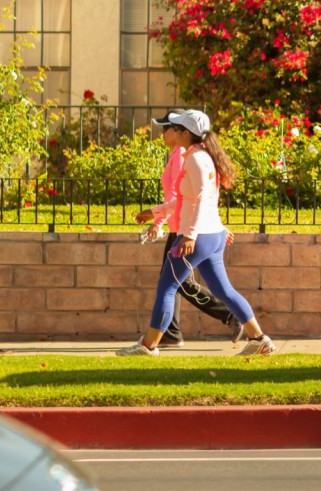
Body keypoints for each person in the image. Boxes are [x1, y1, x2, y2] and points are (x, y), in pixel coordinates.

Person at [118, 109, 278, 357]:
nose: (171, 131)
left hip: (198, 236)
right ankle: (259, 339)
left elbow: (201, 198)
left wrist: (189, 235)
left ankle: (148, 346)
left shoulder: (195, 159)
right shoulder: (202, 156)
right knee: (224, 290)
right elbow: (189, 199)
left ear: (185, 133)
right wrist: (155, 211)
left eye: (177, 127)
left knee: (167, 287)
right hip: (211, 236)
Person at [144, 109, 243, 348]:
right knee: (171, 282)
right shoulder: (178, 154)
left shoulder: (185, 156)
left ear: (179, 131)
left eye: (166, 127)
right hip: (181, 225)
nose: (163, 133)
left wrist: (159, 221)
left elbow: (195, 196)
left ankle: (229, 316)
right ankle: (170, 333)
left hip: (185, 228)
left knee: (175, 283)